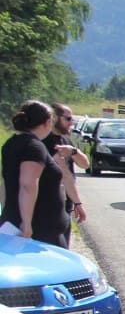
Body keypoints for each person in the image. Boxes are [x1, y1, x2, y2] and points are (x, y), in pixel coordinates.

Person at [2, 100, 86, 247]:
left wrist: (8, 211)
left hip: (27, 222)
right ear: (48, 122)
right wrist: (26, 224)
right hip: (38, 228)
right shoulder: (34, 146)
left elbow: (4, 183)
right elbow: (28, 184)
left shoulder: (11, 143)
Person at [44, 102, 90, 242]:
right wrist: (78, 203)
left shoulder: (66, 140)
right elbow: (64, 176)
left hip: (65, 205)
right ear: (54, 118)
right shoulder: (44, 141)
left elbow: (85, 164)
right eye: (68, 119)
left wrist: (74, 151)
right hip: (47, 206)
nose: (71, 123)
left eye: (72, 119)